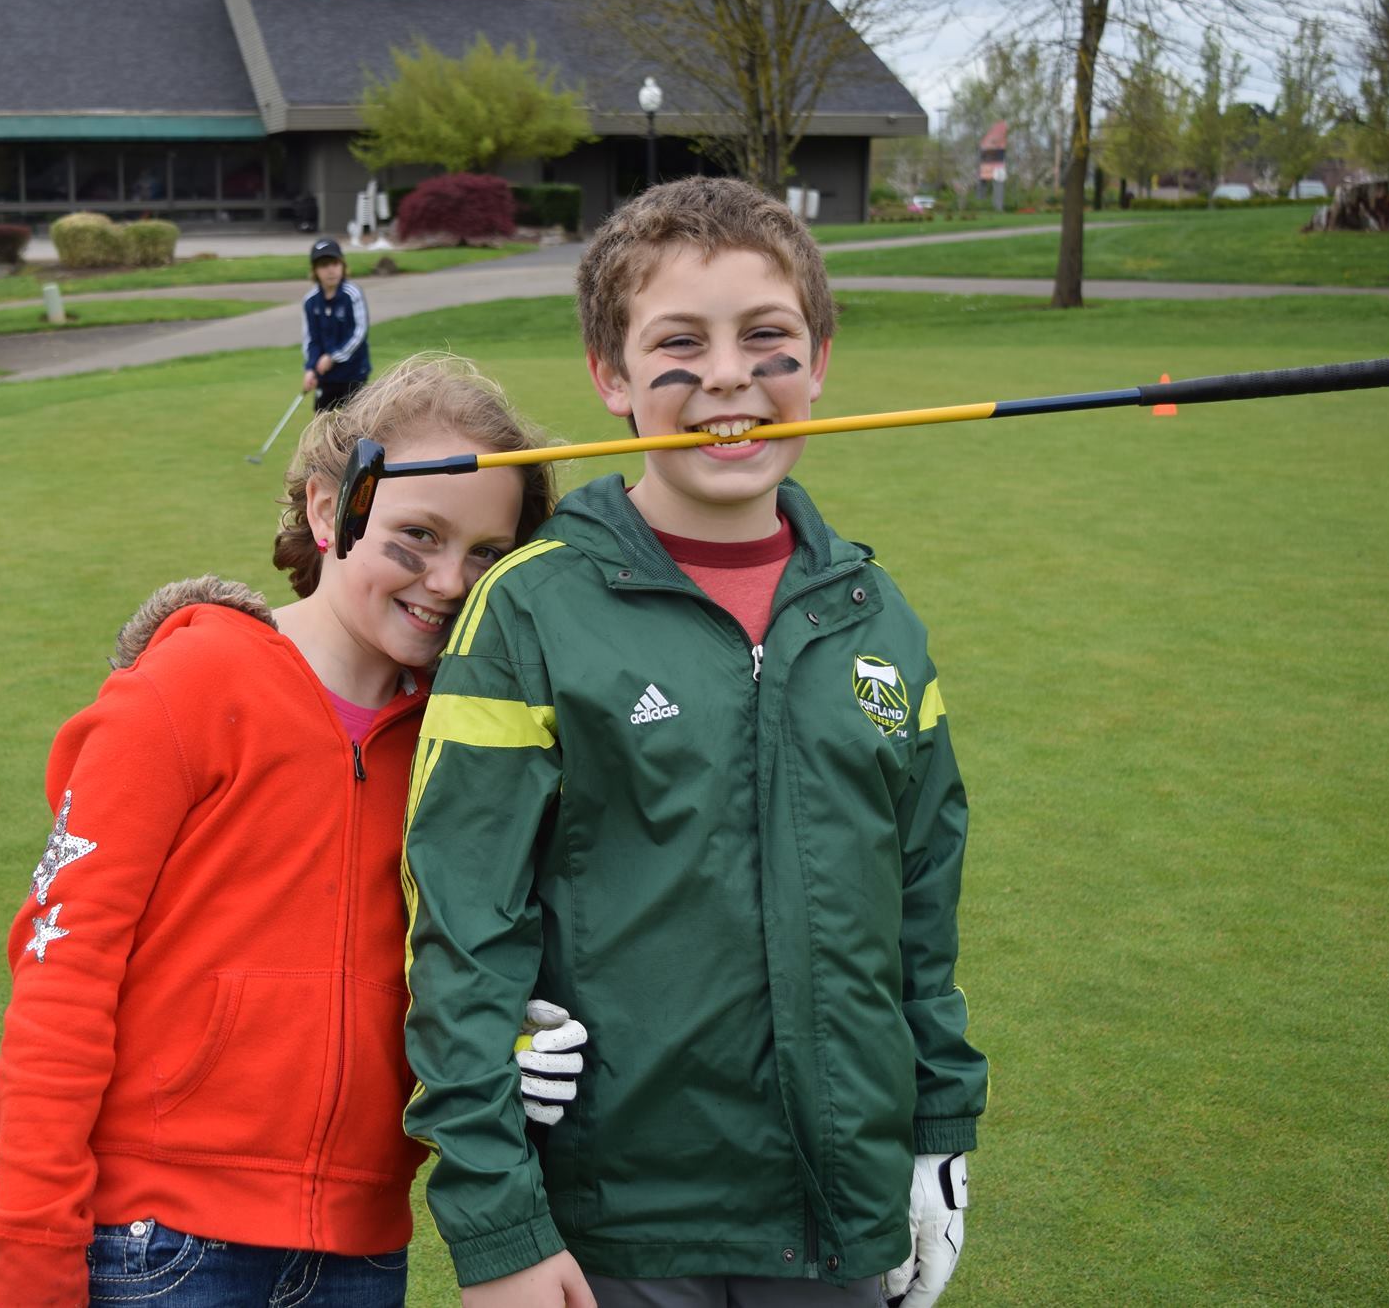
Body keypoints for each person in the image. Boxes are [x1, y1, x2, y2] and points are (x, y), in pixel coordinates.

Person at [398, 178, 990, 1308]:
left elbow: (920, 915)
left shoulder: (878, 619)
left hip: (837, 1218)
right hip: (620, 1230)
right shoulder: (529, 611)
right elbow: (461, 935)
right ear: (610, 377)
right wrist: (497, 1225)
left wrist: (935, 1134)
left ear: (816, 361)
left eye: (765, 337)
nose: (726, 376)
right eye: (679, 343)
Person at [0, 356, 566, 1308]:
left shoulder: (461, 744)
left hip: (361, 1254)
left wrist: (510, 1034)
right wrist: (34, 1258)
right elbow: (63, 977)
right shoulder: (190, 683)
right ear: (332, 511)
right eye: (418, 535)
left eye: (486, 554)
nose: (450, 581)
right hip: (158, 1249)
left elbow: (461, 965)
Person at [301, 238, 372, 412]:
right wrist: (311, 367)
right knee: (323, 426)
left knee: (354, 427)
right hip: (326, 377)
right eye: (324, 265)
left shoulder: (352, 294)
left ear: (342, 265)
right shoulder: (310, 301)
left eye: (334, 263)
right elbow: (311, 339)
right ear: (315, 270)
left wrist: (333, 356)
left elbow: (359, 332)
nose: (330, 270)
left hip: (354, 373)